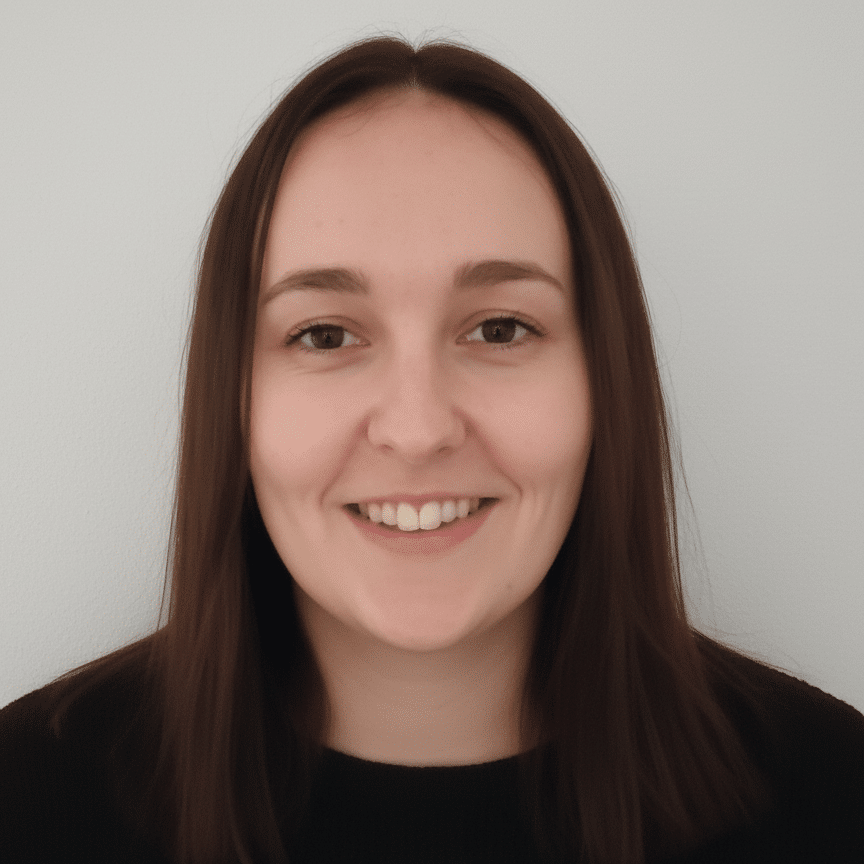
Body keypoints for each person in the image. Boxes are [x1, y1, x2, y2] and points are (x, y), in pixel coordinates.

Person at [1, 34, 862, 864]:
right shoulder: (26, 803)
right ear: (233, 399)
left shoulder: (836, 802)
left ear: (607, 381)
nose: (417, 431)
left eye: (500, 328)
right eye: (325, 335)